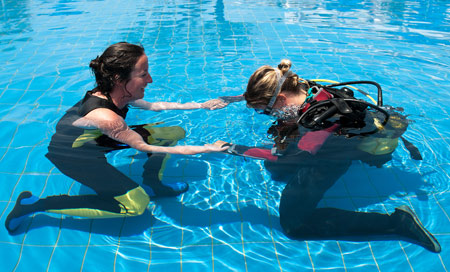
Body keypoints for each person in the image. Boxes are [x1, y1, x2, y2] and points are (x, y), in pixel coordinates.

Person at [5, 42, 229, 234]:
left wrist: (202, 105)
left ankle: (153, 184)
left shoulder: (118, 93)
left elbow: (156, 106)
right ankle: (33, 205)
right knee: (136, 204)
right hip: (74, 155)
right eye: (143, 74)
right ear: (118, 78)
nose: (150, 79)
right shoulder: (107, 118)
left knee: (172, 134)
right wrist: (208, 148)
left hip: (97, 139)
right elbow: (144, 146)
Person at [219, 59, 441, 253]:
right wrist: (234, 98)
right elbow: (273, 93)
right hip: (338, 136)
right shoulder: (305, 87)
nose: (267, 115)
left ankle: (398, 223)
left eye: (264, 110)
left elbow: (287, 158)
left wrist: (232, 147)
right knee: (275, 172)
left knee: (294, 226)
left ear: (282, 99)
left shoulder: (317, 123)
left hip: (331, 159)